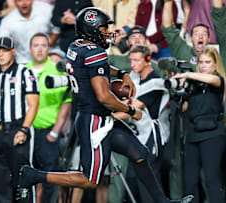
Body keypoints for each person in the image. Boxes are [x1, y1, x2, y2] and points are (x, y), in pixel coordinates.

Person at [18, 7, 194, 203]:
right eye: (103, 29)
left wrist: (120, 73)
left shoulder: (76, 46)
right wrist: (130, 110)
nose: (106, 33)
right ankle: (33, 176)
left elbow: (94, 65)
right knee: (90, 180)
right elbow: (103, 96)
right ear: (92, 30)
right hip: (95, 122)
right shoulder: (96, 53)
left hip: (95, 118)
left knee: (140, 154)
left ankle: (163, 201)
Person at [0, 36, 39, 203]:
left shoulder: (25, 73)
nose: (1, 54)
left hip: (17, 127)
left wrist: (25, 129)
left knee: (22, 178)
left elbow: (33, 104)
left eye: (5, 50)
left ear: (13, 51)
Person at [113, 45, 170, 202]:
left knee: (147, 183)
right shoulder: (134, 76)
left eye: (137, 61)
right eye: (131, 60)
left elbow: (131, 109)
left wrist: (109, 118)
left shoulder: (156, 83)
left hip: (152, 138)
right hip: (137, 136)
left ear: (148, 60)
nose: (133, 65)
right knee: (133, 180)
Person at [172, 47, 226, 203]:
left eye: (207, 62)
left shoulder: (218, 80)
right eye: (201, 62)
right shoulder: (193, 85)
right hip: (193, 133)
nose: (203, 65)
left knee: (211, 179)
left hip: (213, 134)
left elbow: (212, 80)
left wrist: (187, 74)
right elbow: (184, 108)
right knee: (190, 181)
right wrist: (178, 90)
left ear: (215, 64)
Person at [26, 32, 72, 203]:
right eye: (36, 45)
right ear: (30, 49)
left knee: (50, 179)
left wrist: (55, 132)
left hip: (48, 133)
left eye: (44, 45)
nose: (39, 49)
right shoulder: (23, 71)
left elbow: (66, 104)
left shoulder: (58, 71)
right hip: (27, 132)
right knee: (27, 176)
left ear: (48, 48)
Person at [0, 0, 60, 64]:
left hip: (50, 56)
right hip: (23, 61)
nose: (24, 3)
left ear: (32, 0)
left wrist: (45, 46)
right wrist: (10, 47)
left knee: (55, 60)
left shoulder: (46, 9)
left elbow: (57, 29)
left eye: (27, 0)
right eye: (20, 0)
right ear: (15, 2)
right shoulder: (8, 20)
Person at [161, 0, 210, 70]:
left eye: (204, 34)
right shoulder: (183, 51)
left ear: (209, 39)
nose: (200, 37)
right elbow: (168, 29)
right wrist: (168, 3)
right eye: (196, 34)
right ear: (191, 38)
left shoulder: (217, 56)